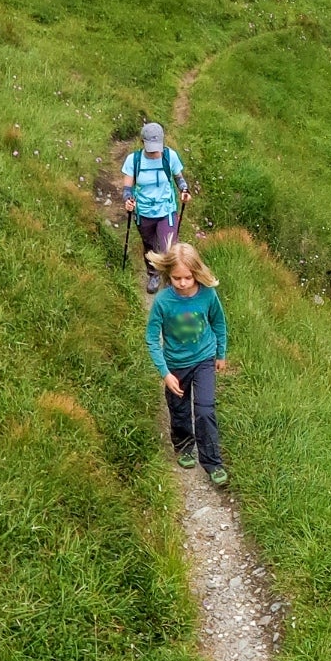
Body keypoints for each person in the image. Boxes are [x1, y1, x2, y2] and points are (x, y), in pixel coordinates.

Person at [145, 242, 230, 485]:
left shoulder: (208, 294)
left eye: (188, 278)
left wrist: (220, 354)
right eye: (176, 278)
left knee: (205, 410)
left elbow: (219, 323)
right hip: (175, 364)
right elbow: (151, 337)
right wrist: (165, 373)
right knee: (179, 410)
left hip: (204, 359)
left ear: (197, 273)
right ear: (167, 275)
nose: (182, 283)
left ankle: (213, 462)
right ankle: (183, 447)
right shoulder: (162, 302)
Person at [119, 122, 189, 293]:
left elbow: (178, 177)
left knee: (169, 247)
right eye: (150, 147)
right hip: (144, 212)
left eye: (157, 146)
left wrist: (184, 190)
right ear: (142, 142)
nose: (154, 151)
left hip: (167, 210)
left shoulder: (169, 157)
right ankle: (153, 274)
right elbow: (127, 188)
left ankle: (172, 280)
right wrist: (128, 200)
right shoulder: (133, 160)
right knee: (150, 246)